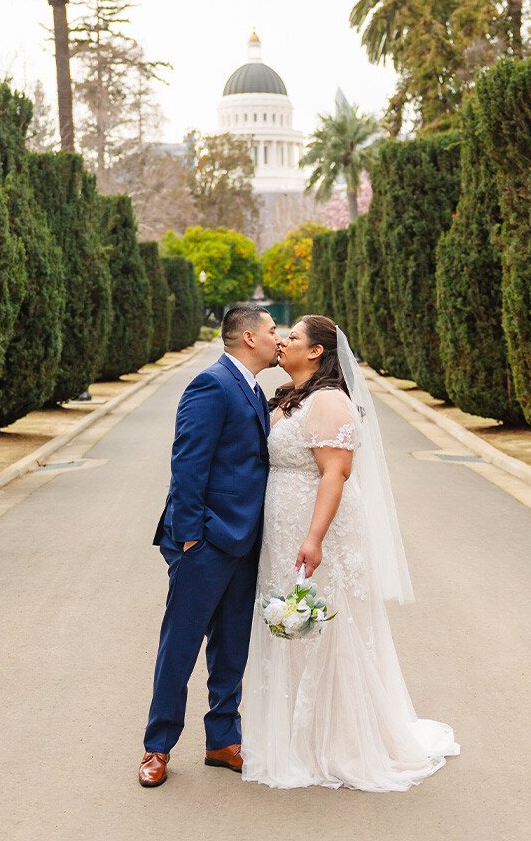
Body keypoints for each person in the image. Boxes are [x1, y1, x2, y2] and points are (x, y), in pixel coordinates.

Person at [241, 315, 459, 791]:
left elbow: (334, 473)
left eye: (293, 337)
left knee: (328, 625)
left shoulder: (329, 402)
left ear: (317, 351)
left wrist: (315, 537)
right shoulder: (290, 399)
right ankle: (299, 734)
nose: (282, 342)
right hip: (282, 526)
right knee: (293, 625)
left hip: (318, 528)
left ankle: (340, 742)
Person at [139, 304, 283, 788]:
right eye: (271, 330)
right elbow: (188, 464)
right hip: (205, 543)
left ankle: (223, 740)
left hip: (245, 543)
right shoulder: (211, 384)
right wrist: (189, 537)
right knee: (179, 646)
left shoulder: (254, 389)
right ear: (247, 337)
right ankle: (157, 747)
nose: (277, 338)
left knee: (231, 648)